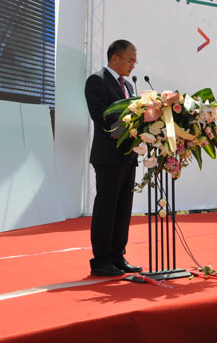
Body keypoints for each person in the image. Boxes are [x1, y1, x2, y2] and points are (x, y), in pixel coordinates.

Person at [84, 39, 142, 276]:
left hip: (128, 155)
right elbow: (99, 114)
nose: (132, 65)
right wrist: (130, 122)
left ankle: (118, 256)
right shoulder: (97, 80)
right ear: (115, 58)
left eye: (135, 61)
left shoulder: (128, 85)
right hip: (108, 156)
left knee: (123, 209)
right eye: (130, 60)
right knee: (106, 208)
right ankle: (101, 259)